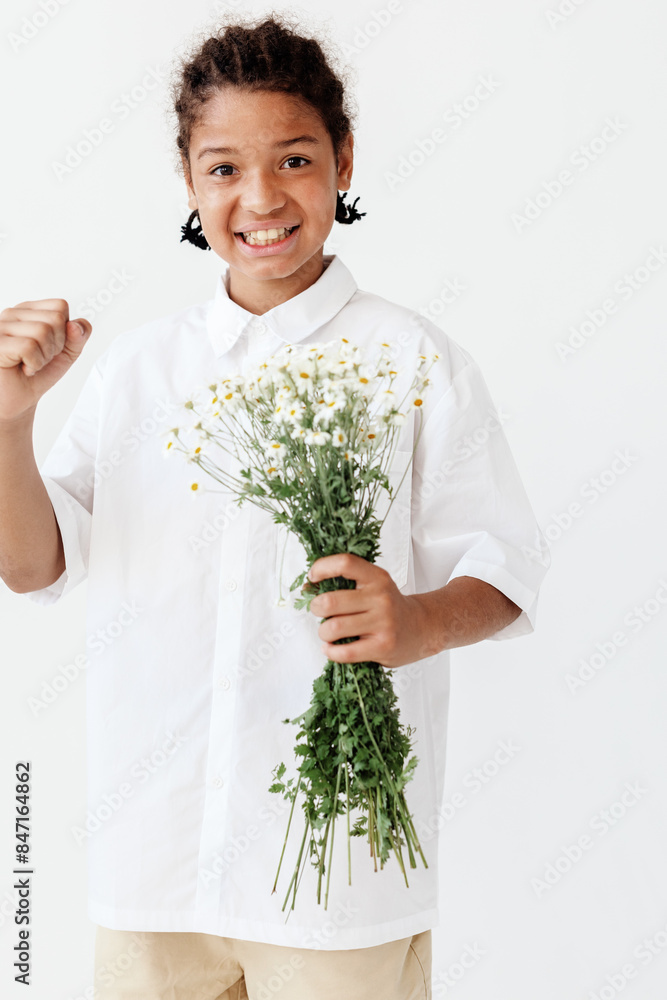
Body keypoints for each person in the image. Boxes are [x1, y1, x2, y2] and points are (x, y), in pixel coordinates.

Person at [0, 13, 549, 1000]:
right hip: (152, 870)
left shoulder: (409, 361)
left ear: (342, 159)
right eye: (222, 169)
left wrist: (417, 619)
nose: (259, 197)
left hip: (334, 877)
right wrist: (6, 427)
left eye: (293, 158)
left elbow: (506, 564)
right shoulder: (137, 370)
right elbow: (35, 565)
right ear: (187, 181)